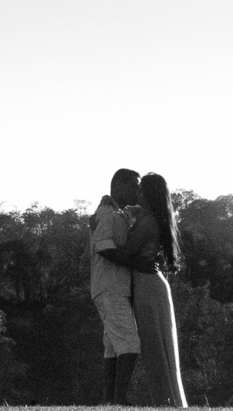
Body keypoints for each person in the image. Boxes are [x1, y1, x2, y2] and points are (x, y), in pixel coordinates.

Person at [120, 172, 187, 407]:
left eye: (141, 191)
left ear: (148, 194)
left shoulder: (148, 222)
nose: (137, 194)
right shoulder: (149, 217)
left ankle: (166, 401)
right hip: (151, 284)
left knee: (155, 347)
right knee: (160, 346)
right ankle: (169, 400)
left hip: (148, 286)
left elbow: (126, 250)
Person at [90, 168, 140, 404]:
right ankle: (120, 400)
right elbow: (103, 247)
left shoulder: (115, 212)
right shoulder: (107, 212)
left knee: (112, 346)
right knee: (130, 344)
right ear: (118, 185)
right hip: (110, 287)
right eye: (133, 186)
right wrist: (135, 263)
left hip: (111, 287)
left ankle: (110, 401)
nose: (137, 192)